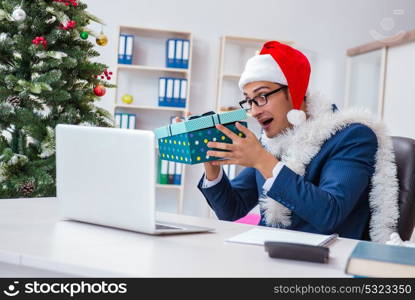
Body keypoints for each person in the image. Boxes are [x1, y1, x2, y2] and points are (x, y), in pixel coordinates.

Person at [197, 41, 399, 242]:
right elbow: (232, 210)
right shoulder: (274, 140)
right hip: (268, 254)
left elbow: (330, 213)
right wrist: (212, 165)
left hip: (325, 262)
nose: (255, 111)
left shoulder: (352, 136)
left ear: (294, 92)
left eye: (262, 96)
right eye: (249, 100)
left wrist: (262, 160)